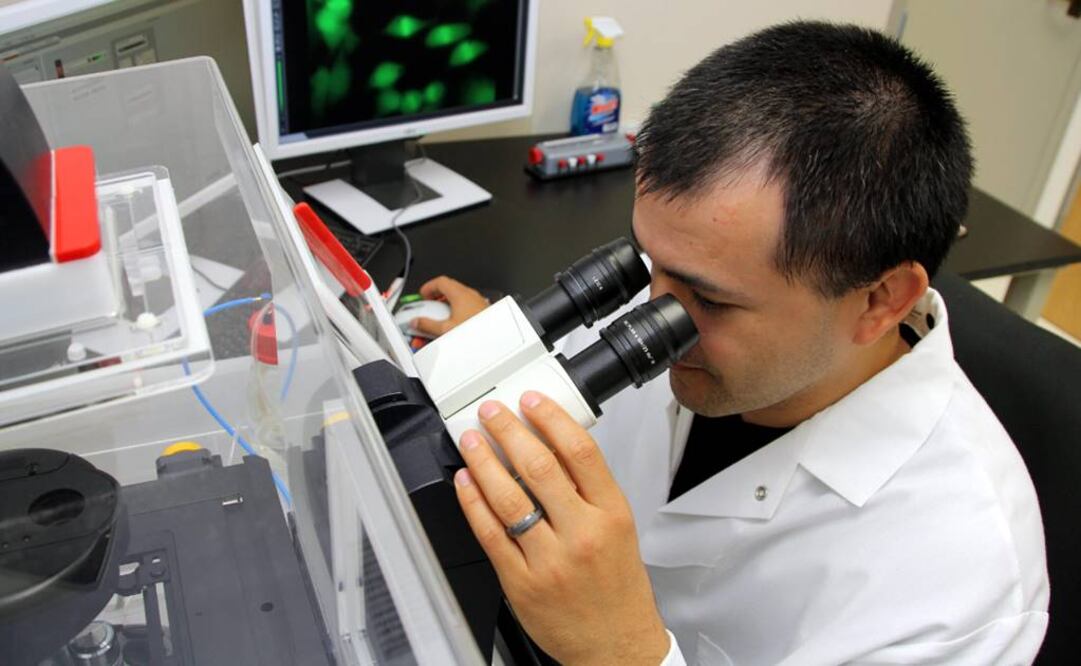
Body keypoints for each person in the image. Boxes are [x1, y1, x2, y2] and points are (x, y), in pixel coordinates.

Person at [413, 21, 1050, 665]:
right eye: (648, 262)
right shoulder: (708, 269)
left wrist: (622, 650)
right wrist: (496, 349)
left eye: (711, 301)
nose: (655, 312)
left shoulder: (960, 586)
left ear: (880, 301)